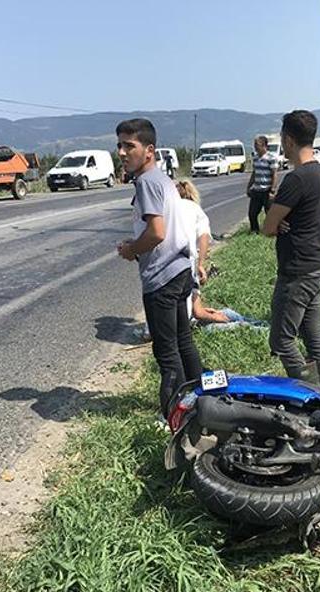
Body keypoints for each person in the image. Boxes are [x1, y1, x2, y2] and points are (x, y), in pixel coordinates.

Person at [116, 118, 202, 415]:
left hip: (162, 278)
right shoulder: (163, 179)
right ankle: (202, 399)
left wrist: (131, 249)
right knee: (184, 343)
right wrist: (136, 241)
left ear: (149, 150)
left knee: (167, 355)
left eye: (130, 146)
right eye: (120, 146)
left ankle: (173, 418)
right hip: (180, 270)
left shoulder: (146, 183)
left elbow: (156, 233)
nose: (122, 153)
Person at [261, 110, 320, 385]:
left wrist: (278, 221)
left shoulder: (296, 178)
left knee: (281, 339)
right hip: (317, 265)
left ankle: (307, 391)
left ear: (288, 140)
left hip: (297, 270)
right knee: (314, 337)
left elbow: (267, 227)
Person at [246, 135, 278, 233]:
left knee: (269, 212)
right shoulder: (255, 158)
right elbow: (254, 173)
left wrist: (272, 190)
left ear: (264, 145)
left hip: (267, 190)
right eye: (255, 144)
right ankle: (254, 230)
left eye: (257, 144)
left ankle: (271, 230)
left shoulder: (271, 158)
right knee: (252, 213)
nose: (255, 147)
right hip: (257, 190)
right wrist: (249, 186)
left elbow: (274, 175)